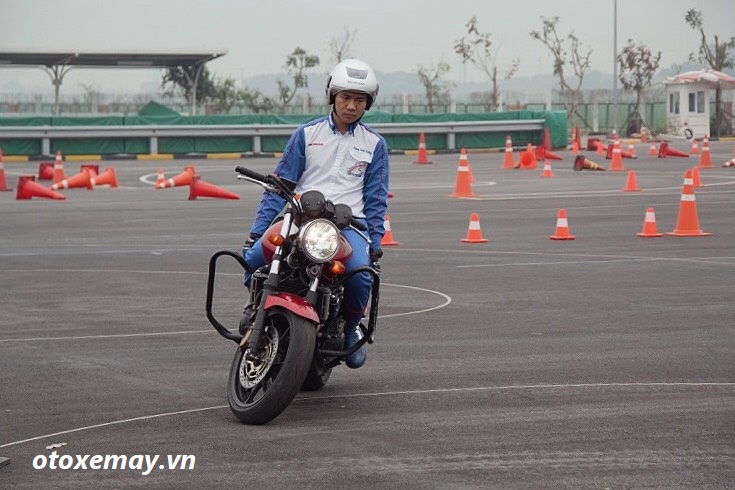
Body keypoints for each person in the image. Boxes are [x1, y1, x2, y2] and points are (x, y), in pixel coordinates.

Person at [242, 59, 389, 369]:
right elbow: (279, 186)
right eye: (345, 97)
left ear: (368, 104)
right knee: (255, 256)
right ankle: (254, 308)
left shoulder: (375, 144)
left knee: (361, 277)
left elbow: (376, 199)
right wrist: (257, 231)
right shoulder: (306, 134)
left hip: (349, 227)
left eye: (359, 100)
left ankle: (349, 331)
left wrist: (375, 240)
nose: (351, 106)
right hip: (300, 218)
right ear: (332, 96)